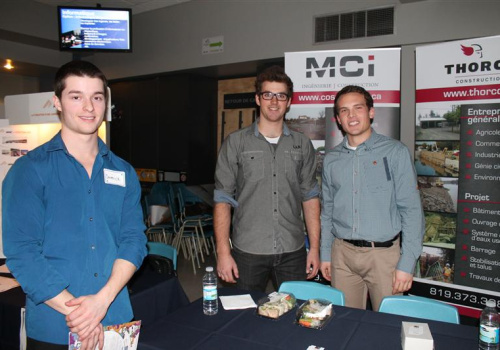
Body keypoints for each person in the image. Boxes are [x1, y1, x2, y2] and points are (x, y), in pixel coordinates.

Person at [2, 60, 147, 349]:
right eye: (76, 96)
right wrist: (82, 314)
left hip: (115, 319)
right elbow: (22, 253)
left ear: (106, 103)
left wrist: (101, 303)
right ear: (57, 102)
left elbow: (134, 240)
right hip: (55, 325)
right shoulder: (30, 170)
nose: (89, 107)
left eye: (97, 97)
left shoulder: (124, 172)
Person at [214, 65, 320, 292]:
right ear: (257, 99)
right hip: (248, 250)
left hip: (293, 250)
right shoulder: (235, 143)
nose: (274, 101)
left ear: (289, 102)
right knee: (242, 318)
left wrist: (315, 248)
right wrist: (223, 253)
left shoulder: (302, 144)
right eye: (268, 95)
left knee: (294, 317)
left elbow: (310, 197)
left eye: (281, 95)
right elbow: (222, 199)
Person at [320, 85, 424, 311]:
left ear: (371, 112)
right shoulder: (331, 160)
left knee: (388, 325)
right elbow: (327, 211)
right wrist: (325, 254)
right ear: (338, 119)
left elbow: (412, 211)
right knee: (345, 322)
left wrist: (407, 264)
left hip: (384, 257)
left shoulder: (395, 152)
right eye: (344, 111)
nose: (352, 116)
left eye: (358, 108)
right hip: (342, 256)